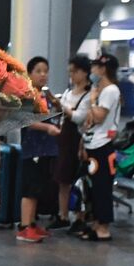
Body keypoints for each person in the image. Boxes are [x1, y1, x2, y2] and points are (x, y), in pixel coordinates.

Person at [75, 53, 122, 242]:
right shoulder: (101, 90)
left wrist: (93, 100)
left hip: (102, 145)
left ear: (103, 69)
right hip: (92, 143)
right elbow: (90, 120)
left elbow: (100, 116)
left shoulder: (110, 90)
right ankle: (95, 223)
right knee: (91, 187)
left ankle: (103, 227)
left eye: (94, 67)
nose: (91, 71)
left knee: (102, 187)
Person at [16, 56, 61, 243]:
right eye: (39, 71)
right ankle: (25, 227)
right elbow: (26, 120)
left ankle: (33, 223)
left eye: (46, 71)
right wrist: (48, 128)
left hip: (45, 149)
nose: (43, 75)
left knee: (39, 188)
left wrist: (57, 105)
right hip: (33, 149)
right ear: (30, 73)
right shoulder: (27, 94)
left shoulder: (44, 94)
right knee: (30, 189)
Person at [50, 54, 93, 228]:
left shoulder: (89, 95)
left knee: (78, 180)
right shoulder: (69, 92)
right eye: (70, 72)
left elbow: (78, 118)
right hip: (64, 139)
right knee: (62, 179)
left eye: (74, 71)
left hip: (79, 140)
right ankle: (63, 214)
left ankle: (80, 216)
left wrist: (62, 107)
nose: (72, 75)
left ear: (84, 72)